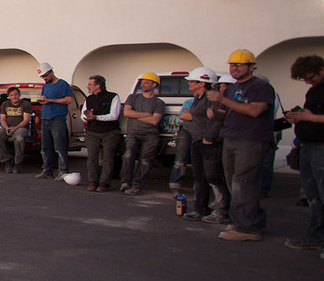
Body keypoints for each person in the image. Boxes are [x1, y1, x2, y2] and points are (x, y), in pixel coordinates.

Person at [213, 49, 277, 242]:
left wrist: (223, 100)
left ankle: (246, 228)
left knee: (244, 183)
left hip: (251, 140)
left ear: (251, 67)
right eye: (232, 65)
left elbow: (255, 111)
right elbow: (222, 115)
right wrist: (213, 109)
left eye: (239, 65)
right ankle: (248, 220)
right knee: (234, 181)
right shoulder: (231, 89)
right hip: (231, 138)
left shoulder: (260, 86)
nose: (235, 69)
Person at [283, 55, 324, 253]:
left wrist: (312, 118)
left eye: (309, 77)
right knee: (313, 196)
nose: (307, 82)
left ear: (321, 69)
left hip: (321, 148)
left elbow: (314, 116)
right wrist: (298, 117)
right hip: (307, 147)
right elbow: (309, 114)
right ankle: (315, 236)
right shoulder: (313, 91)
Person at [179, 68, 229, 222]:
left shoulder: (212, 97)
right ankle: (201, 208)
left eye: (192, 81)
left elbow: (219, 119)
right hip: (197, 140)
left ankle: (222, 211)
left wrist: (209, 137)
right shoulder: (198, 98)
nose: (189, 83)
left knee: (214, 177)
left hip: (210, 143)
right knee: (199, 177)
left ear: (202, 83)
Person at [119, 73, 167, 196]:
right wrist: (146, 114)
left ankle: (137, 185)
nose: (143, 84)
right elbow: (127, 113)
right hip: (133, 133)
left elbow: (155, 120)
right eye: (142, 82)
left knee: (145, 160)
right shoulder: (132, 97)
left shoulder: (159, 103)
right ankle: (125, 182)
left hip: (150, 135)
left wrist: (136, 114)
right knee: (128, 155)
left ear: (154, 85)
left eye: (146, 82)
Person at [81, 75, 122, 193]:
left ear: (98, 86)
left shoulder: (113, 97)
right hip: (92, 131)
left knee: (108, 157)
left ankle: (104, 182)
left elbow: (114, 115)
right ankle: (93, 181)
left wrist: (96, 117)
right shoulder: (89, 99)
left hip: (109, 131)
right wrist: (87, 117)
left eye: (90, 84)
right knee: (91, 157)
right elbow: (83, 115)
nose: (88, 86)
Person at [35, 63, 73, 179]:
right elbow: (44, 98)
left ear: (51, 72)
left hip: (58, 118)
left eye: (46, 76)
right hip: (45, 118)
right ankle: (47, 169)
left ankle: (63, 170)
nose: (45, 78)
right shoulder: (45, 86)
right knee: (45, 146)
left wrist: (51, 100)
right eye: (43, 77)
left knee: (60, 146)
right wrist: (42, 100)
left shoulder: (63, 84)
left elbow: (68, 100)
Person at [0, 87, 32, 174]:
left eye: (15, 94)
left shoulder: (26, 104)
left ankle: (18, 163)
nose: (14, 97)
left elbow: (25, 120)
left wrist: (15, 128)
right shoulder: (5, 104)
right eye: (11, 95)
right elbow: (3, 119)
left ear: (19, 95)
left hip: (21, 128)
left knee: (19, 138)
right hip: (7, 127)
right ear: (9, 97)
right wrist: (7, 128)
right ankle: (6, 161)